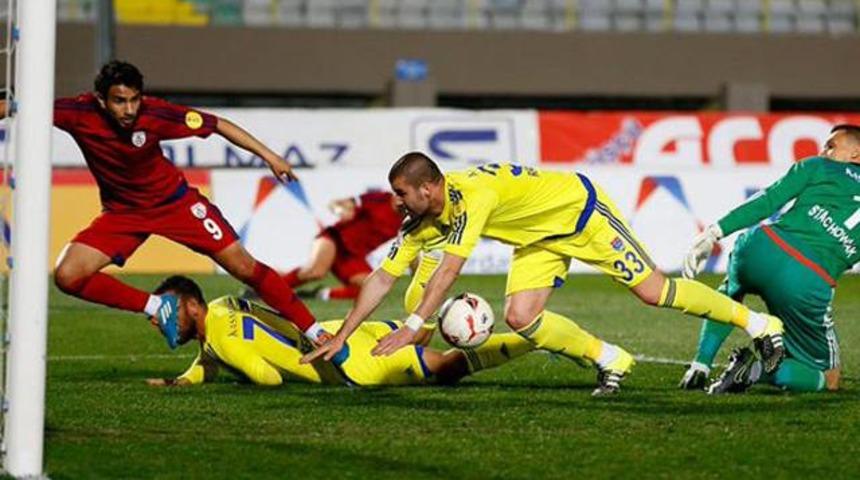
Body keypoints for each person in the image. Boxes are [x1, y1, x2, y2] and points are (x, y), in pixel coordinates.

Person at [304, 154, 786, 396]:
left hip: (582, 215)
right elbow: (381, 279)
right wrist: (343, 334)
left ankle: (762, 326)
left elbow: (448, 272)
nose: (395, 202)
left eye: (400, 193)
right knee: (521, 315)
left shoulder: (473, 196)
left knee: (653, 292)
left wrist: (412, 329)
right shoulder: (423, 218)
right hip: (538, 239)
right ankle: (611, 358)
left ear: (428, 188)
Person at [0, 60, 327, 347]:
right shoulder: (78, 113)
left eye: (134, 100)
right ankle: (157, 306)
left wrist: (270, 157)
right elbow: (16, 108)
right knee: (68, 275)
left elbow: (218, 125)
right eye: (119, 101)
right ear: (101, 101)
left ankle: (314, 332)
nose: (129, 110)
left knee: (244, 266)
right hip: (123, 215)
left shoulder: (155, 113)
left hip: (176, 205)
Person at [679, 124, 860, 394]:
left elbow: (768, 200)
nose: (823, 151)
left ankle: (700, 365)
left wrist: (714, 232)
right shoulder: (824, 165)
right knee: (828, 378)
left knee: (729, 294)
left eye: (831, 146)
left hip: (761, 247)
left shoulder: (818, 167)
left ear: (856, 154)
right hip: (807, 278)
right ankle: (753, 371)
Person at [145, 276, 534, 387]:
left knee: (448, 367)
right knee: (420, 335)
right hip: (337, 331)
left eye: (165, 310)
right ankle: (449, 310)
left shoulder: (222, 342)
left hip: (347, 361)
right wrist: (184, 380)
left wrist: (239, 373)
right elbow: (209, 352)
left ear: (192, 306)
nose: (156, 319)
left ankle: (533, 336)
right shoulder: (221, 307)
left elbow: (266, 378)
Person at [280, 190, 403, 301]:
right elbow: (336, 204)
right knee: (315, 271)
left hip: (352, 256)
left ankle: (318, 294)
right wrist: (341, 211)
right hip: (335, 239)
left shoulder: (408, 217)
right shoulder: (380, 198)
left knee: (373, 287)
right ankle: (269, 289)